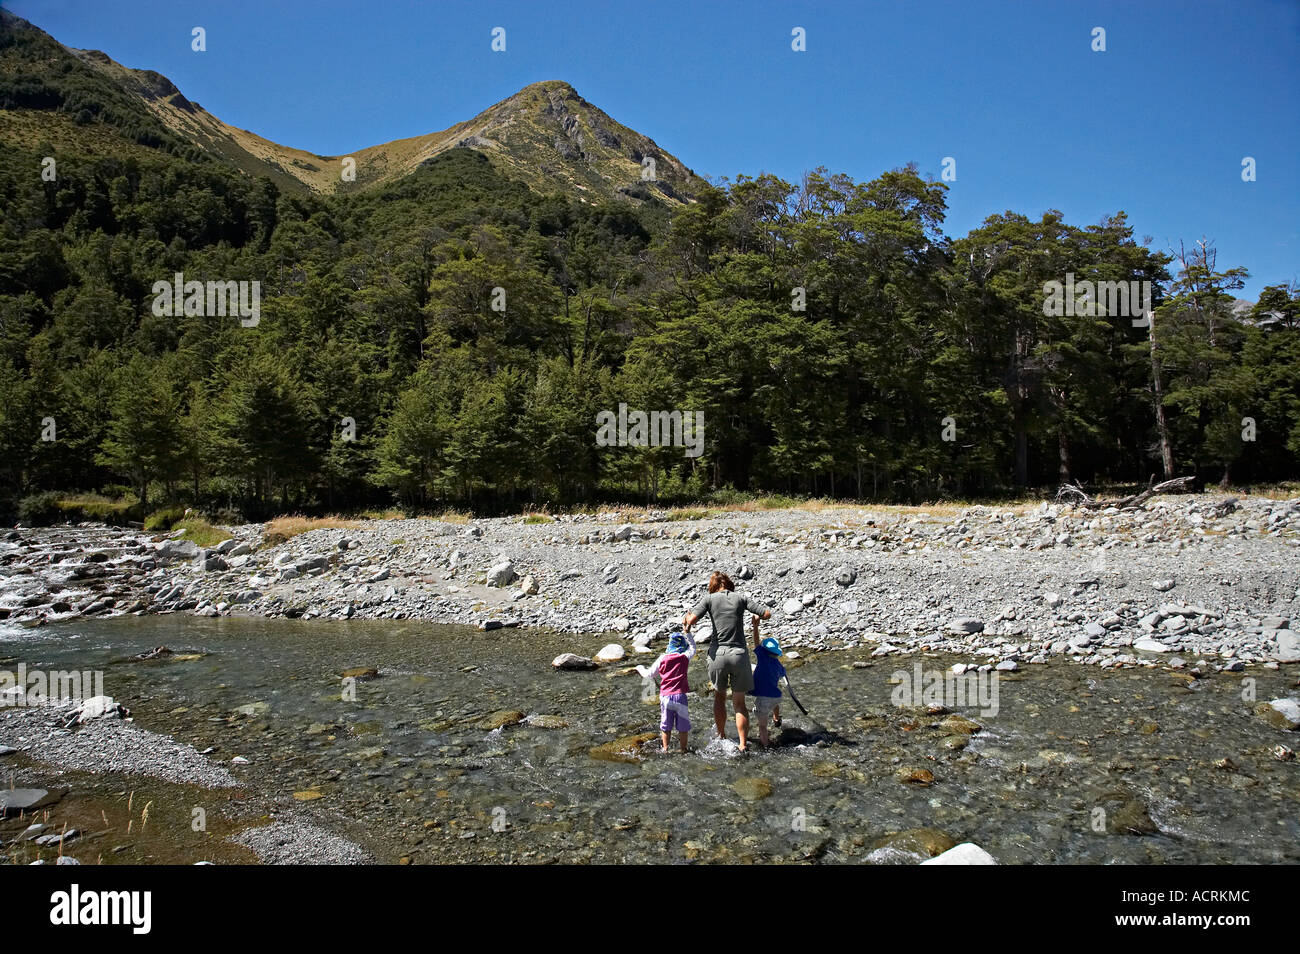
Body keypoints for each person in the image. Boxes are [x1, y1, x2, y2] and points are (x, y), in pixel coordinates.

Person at [682, 571, 772, 752]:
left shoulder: (709, 599)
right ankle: (742, 744)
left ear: (713, 586)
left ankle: (721, 736)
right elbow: (767, 613)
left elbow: (690, 620)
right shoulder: (741, 598)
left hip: (718, 656)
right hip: (739, 654)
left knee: (719, 697)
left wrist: (687, 620)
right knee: (739, 703)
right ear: (729, 584)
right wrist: (756, 620)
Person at [649, 631, 696, 753]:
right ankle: (683, 749)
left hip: (665, 697)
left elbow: (650, 674)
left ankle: (665, 748)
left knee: (665, 726)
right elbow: (693, 648)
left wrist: (639, 669)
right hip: (680, 696)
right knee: (683, 727)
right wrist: (688, 632)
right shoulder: (684, 657)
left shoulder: (662, 658)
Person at [750, 617, 786, 749]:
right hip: (776, 696)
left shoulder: (762, 656)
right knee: (774, 702)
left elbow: (756, 641)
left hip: (763, 698)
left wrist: (755, 626)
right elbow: (783, 675)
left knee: (762, 726)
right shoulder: (778, 664)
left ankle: (765, 746)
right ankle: (776, 719)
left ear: (764, 651)